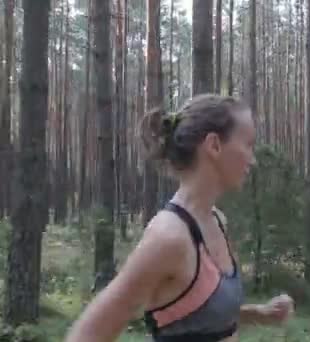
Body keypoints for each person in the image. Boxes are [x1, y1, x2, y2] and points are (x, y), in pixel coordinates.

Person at [66, 94, 295, 342]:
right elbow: (87, 334)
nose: (253, 159)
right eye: (248, 145)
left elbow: (195, 315)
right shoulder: (169, 237)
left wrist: (260, 314)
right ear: (214, 145)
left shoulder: (217, 220)